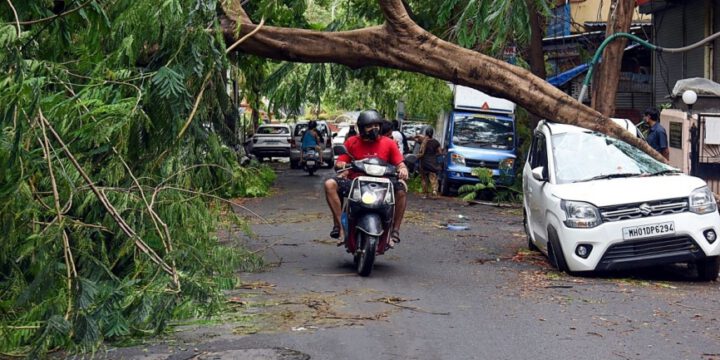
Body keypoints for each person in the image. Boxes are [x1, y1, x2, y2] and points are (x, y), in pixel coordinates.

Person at [324, 110, 409, 247]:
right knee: (329, 184)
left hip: (383, 185)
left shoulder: (389, 143)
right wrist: (341, 164)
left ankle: (394, 231)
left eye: (376, 125)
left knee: (402, 189)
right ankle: (340, 226)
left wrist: (403, 169)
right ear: (362, 128)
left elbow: (400, 163)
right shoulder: (352, 142)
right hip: (355, 184)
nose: (374, 128)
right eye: (370, 126)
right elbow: (340, 162)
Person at [416, 126, 443, 198]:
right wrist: (434, 154)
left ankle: (425, 194)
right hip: (432, 162)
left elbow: (416, 139)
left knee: (424, 178)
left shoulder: (423, 141)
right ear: (432, 134)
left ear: (426, 133)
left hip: (423, 162)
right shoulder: (436, 142)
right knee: (433, 177)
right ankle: (434, 191)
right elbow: (440, 152)